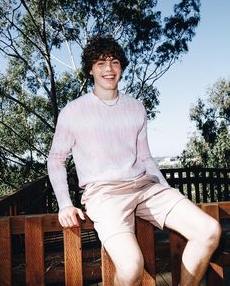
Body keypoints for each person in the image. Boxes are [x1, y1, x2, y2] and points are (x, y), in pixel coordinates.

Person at [47, 35, 221, 286]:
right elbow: (56, 160)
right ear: (90, 69)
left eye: (114, 62)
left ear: (121, 67)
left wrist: (165, 188)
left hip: (145, 187)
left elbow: (145, 157)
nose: (109, 69)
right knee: (130, 268)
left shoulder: (136, 107)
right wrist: (64, 204)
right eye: (100, 63)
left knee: (209, 232)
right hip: (104, 194)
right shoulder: (73, 111)